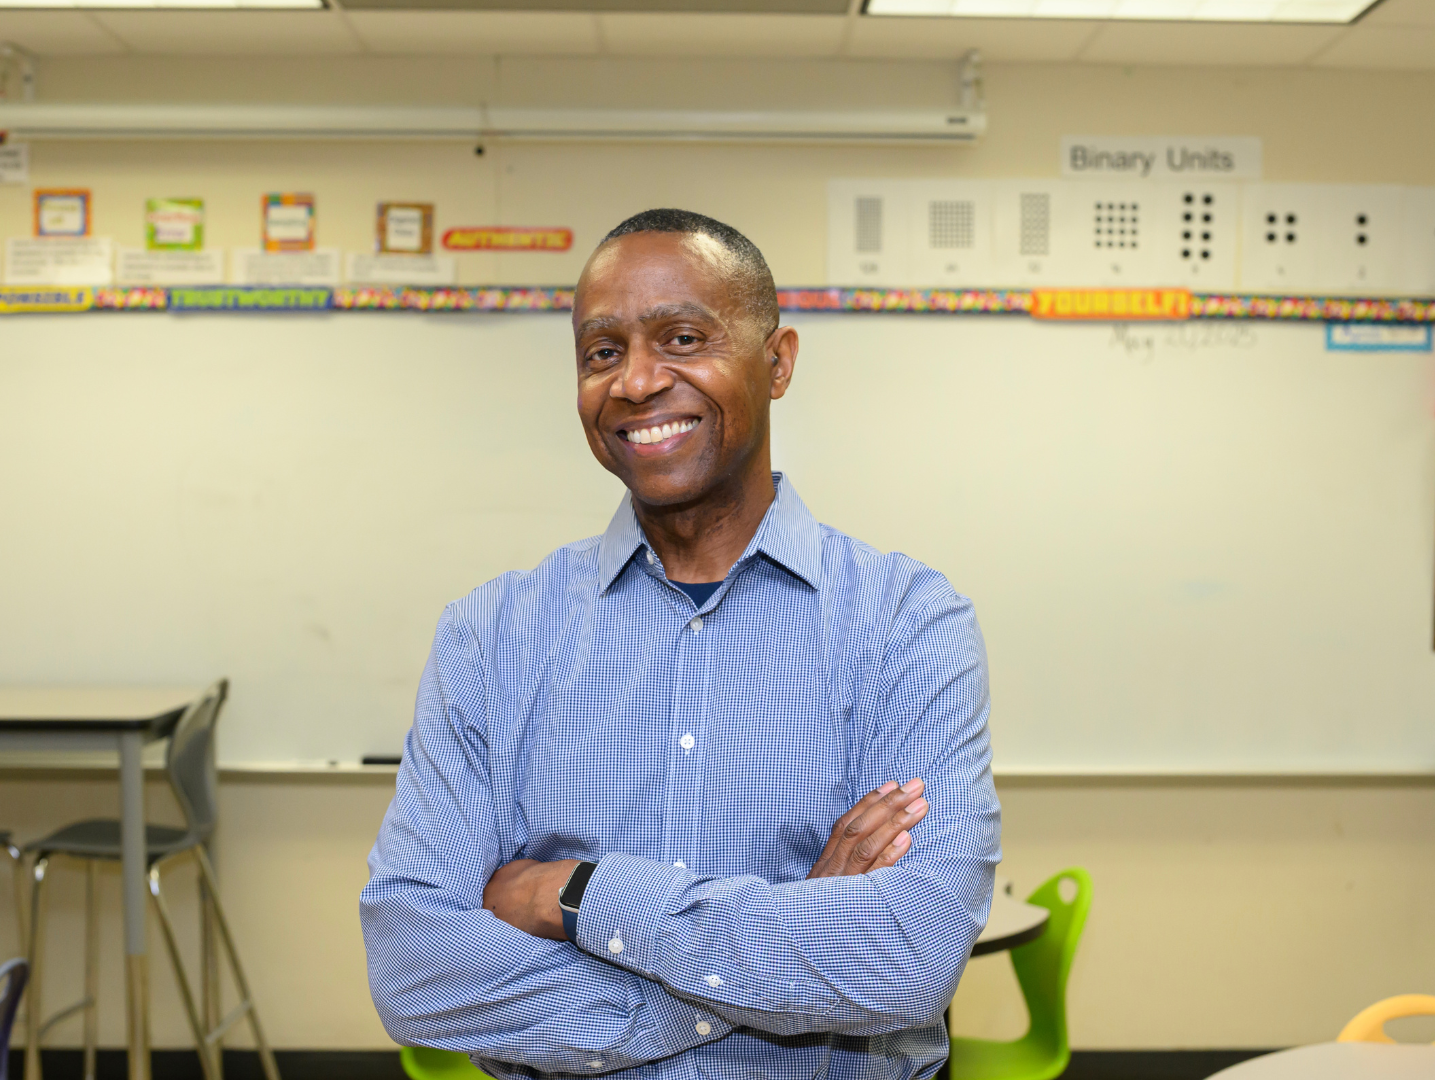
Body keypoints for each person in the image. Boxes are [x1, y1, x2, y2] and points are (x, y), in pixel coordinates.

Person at [361, 208, 1000, 1080]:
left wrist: (575, 895)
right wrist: (773, 963)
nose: (634, 381)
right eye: (602, 352)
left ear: (778, 362)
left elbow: (908, 956)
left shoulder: (906, 624)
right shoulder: (491, 635)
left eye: (683, 338)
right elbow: (416, 968)